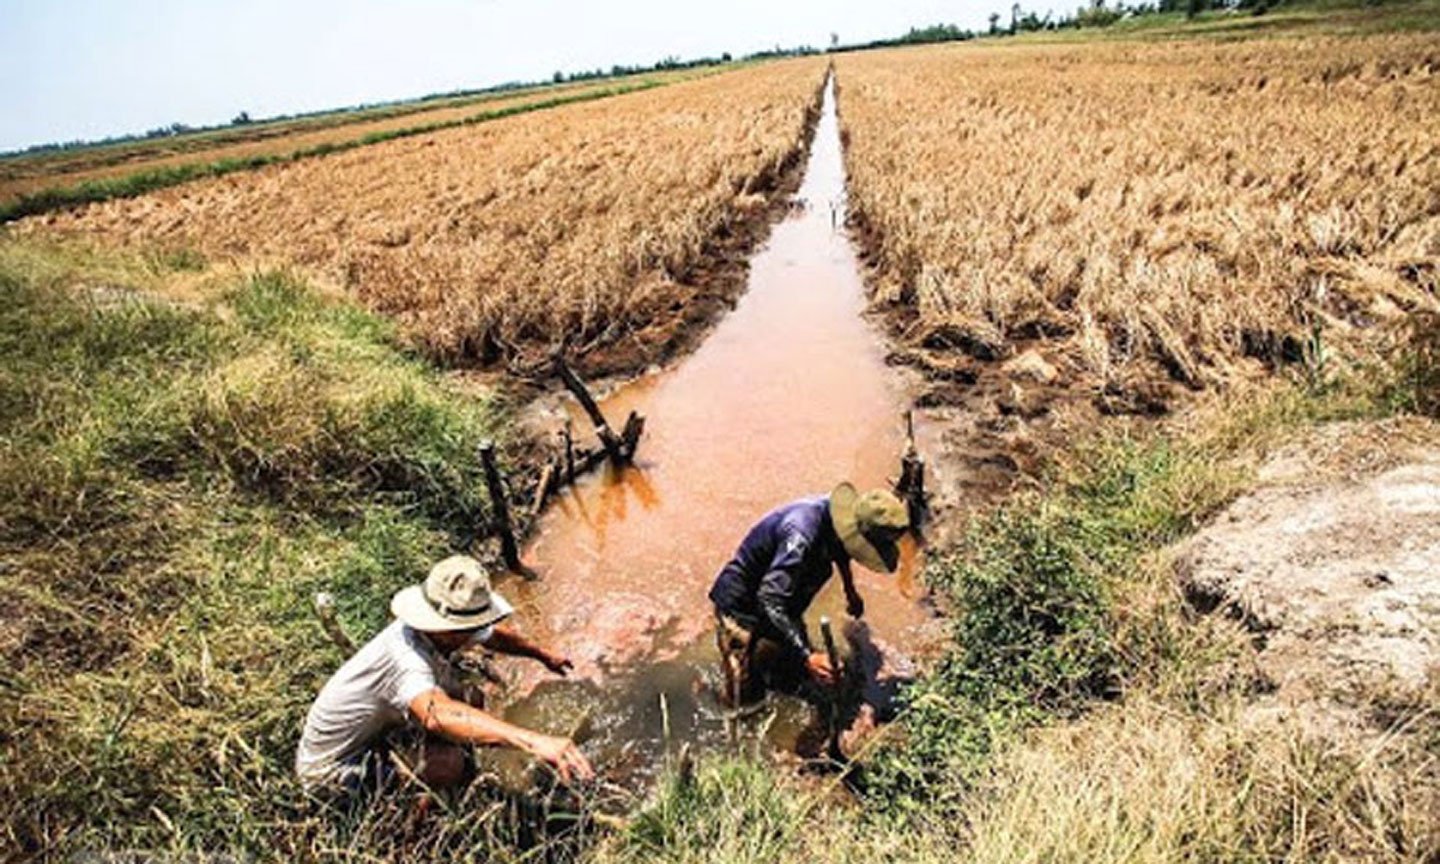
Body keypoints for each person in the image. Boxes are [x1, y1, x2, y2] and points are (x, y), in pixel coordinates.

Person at [295, 555, 594, 797]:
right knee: (450, 764)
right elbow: (436, 715)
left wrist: (543, 655)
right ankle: (419, 819)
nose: (477, 633)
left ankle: (447, 773)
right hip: (332, 772)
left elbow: (493, 636)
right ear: (447, 629)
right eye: (469, 629)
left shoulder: (439, 630)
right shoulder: (407, 660)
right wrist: (532, 740)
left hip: (373, 734)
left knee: (472, 697)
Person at [708, 482, 909, 704]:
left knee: (792, 674)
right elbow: (770, 600)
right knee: (743, 694)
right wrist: (808, 656)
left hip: (786, 597)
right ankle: (708, 692)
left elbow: (841, 550)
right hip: (741, 603)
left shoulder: (841, 522)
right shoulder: (801, 534)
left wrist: (850, 590)